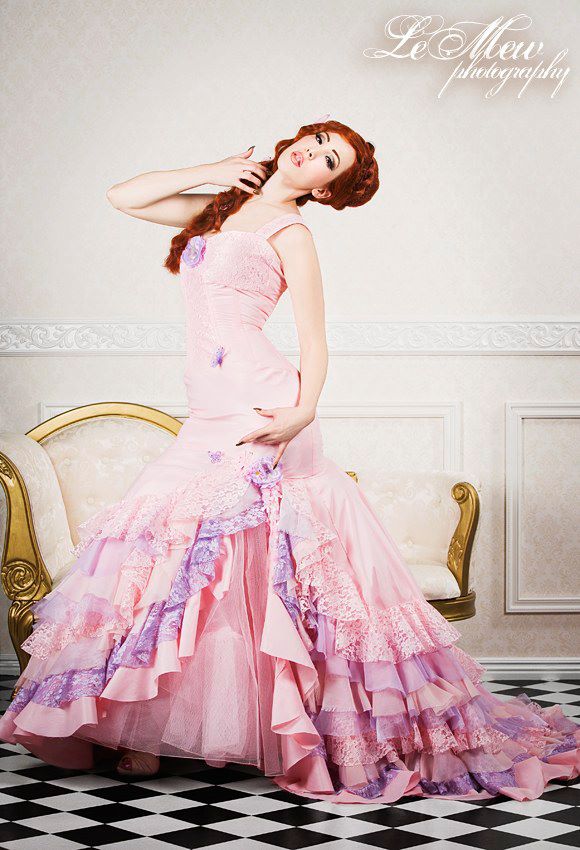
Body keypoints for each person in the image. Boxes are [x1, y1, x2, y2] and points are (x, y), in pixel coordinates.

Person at [0, 119, 578, 804]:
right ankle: (149, 727)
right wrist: (213, 169)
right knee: (176, 561)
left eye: (330, 161)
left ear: (326, 190)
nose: (313, 154)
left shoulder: (292, 234)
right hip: (207, 409)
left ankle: (250, 729)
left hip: (262, 405)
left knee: (241, 571)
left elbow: (313, 337)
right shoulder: (220, 208)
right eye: (317, 140)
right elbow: (122, 196)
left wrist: (304, 410)